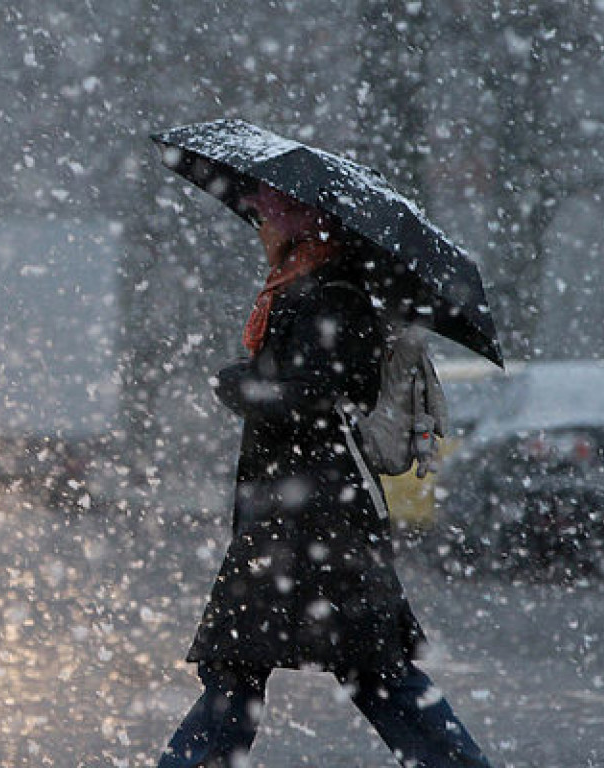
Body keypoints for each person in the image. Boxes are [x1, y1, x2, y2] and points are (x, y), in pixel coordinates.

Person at [156, 183, 495, 768]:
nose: (261, 222)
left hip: (316, 520)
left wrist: (242, 385)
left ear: (302, 222)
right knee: (276, 671)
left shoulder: (333, 296)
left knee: (352, 672)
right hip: (298, 516)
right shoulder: (301, 290)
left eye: (271, 213)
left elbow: (322, 395)